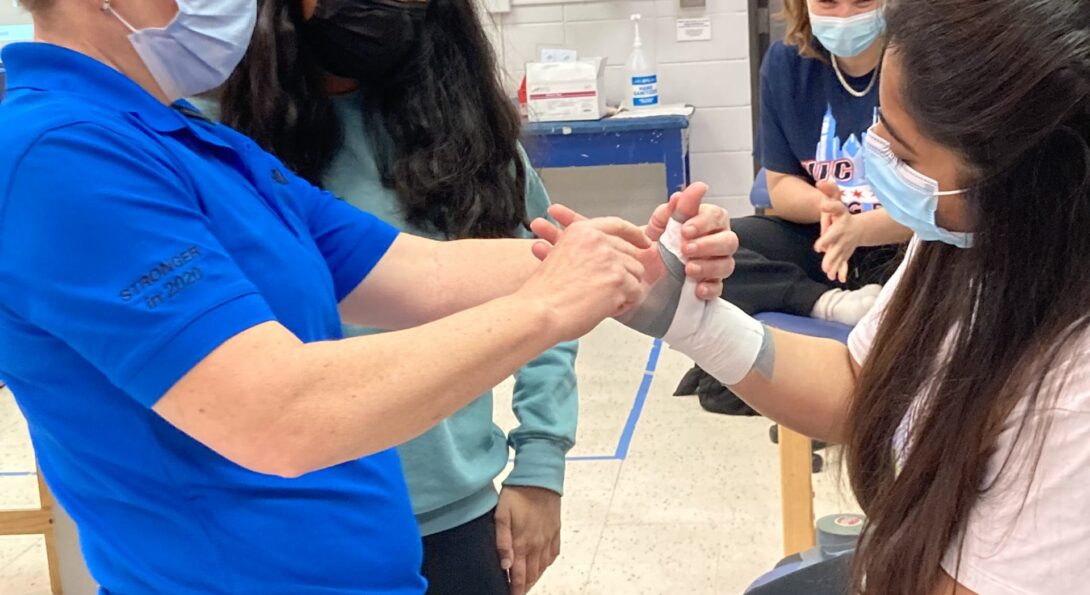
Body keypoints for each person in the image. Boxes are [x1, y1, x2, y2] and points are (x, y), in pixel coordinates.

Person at [0, 1, 738, 592]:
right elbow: (280, 414)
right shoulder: (59, 153)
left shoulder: (187, 135)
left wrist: (628, 258)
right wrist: (546, 305)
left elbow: (418, 273)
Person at [656, 0, 1090, 593]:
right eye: (879, 119)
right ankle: (825, 301)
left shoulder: (1072, 397)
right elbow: (859, 384)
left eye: (901, 151)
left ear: (1019, 183)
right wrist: (692, 321)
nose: (871, 149)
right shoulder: (960, 239)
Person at [215, 0, 575, 593]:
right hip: (276, 523)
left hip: (448, 515)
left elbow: (548, 292)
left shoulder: (468, 137)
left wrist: (541, 464)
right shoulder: (217, 145)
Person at [676, 0, 909, 415]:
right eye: (829, 3)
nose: (844, 17)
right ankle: (827, 306)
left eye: (862, 2)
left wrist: (862, 229)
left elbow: (953, 202)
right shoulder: (786, 64)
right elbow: (779, 185)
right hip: (825, 244)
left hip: (903, 241)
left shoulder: (923, 61)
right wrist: (825, 207)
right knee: (707, 251)